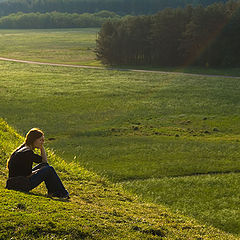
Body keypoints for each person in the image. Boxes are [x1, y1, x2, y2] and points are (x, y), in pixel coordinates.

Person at [7, 128, 69, 199]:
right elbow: (28, 175)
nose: (42, 142)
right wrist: (41, 170)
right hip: (20, 184)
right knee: (49, 169)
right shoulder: (27, 153)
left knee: (45, 166)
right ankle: (63, 193)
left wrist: (41, 147)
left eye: (43, 140)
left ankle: (53, 192)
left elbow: (44, 161)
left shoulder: (25, 149)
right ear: (33, 140)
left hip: (14, 182)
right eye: (40, 140)